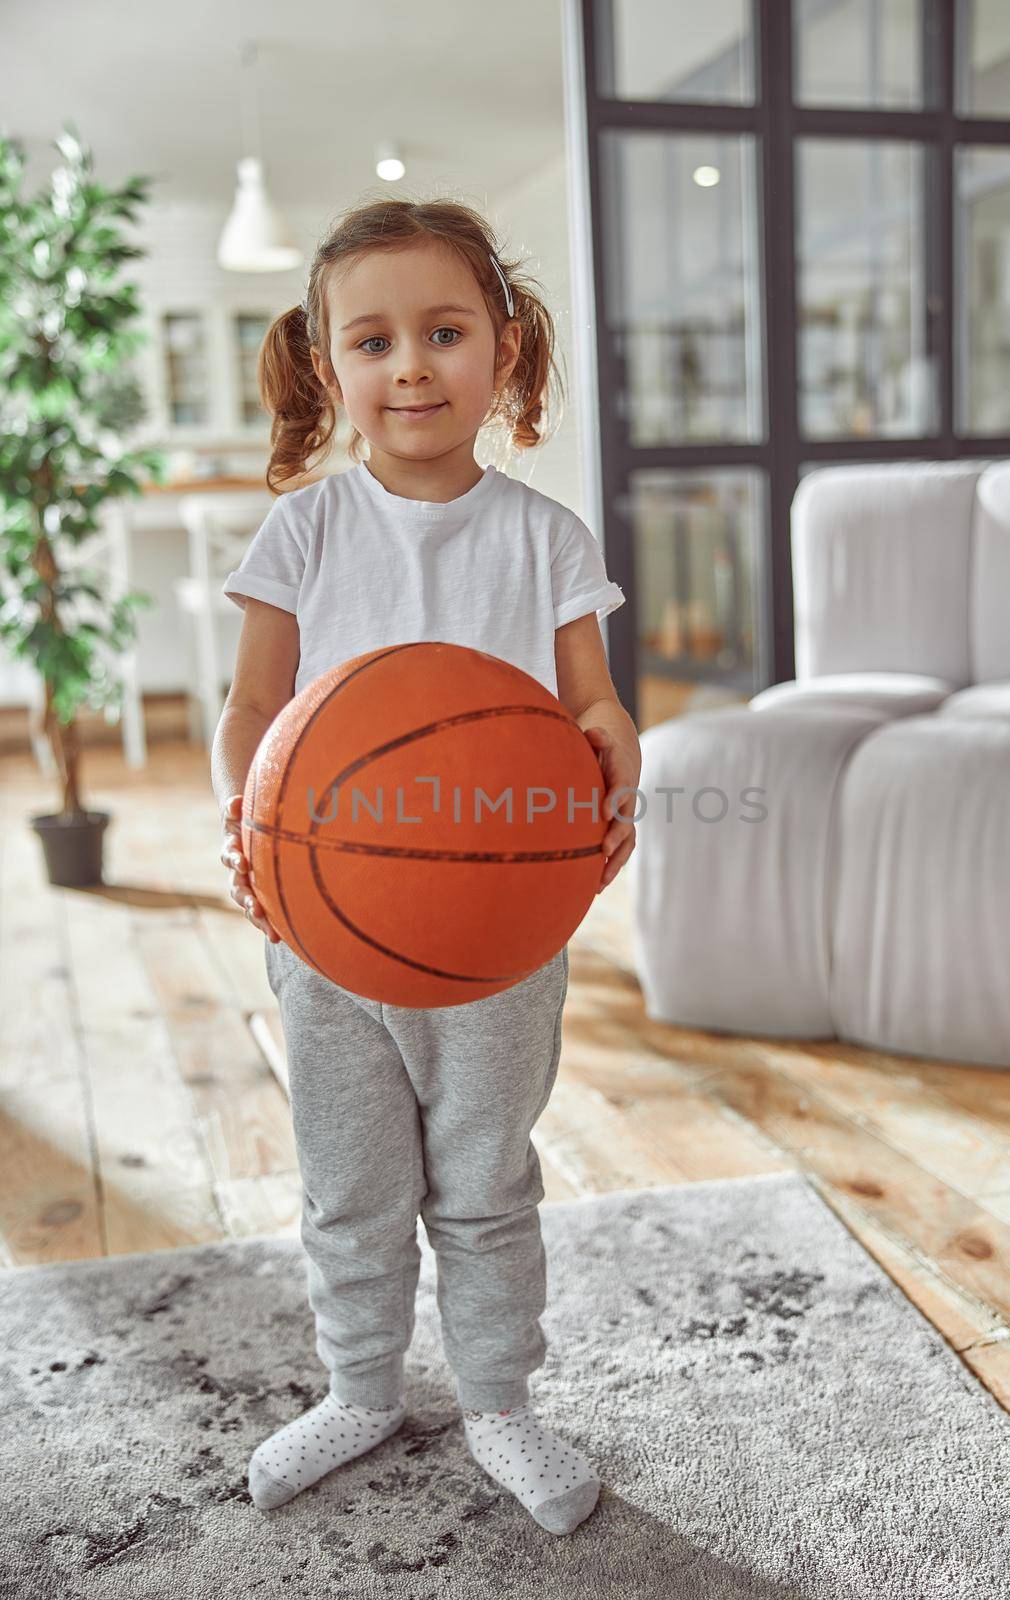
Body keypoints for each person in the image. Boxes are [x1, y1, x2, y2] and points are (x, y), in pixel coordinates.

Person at [211, 196, 640, 1536]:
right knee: (348, 1183)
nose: (410, 366)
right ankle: (359, 1388)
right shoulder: (302, 534)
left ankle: (501, 1399)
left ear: (501, 352)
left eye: (444, 332)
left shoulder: (546, 537)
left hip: (498, 938)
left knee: (487, 1177)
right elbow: (251, 711)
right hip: (326, 932)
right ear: (328, 366)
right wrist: (242, 820)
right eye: (374, 340)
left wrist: (615, 752)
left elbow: (592, 705)